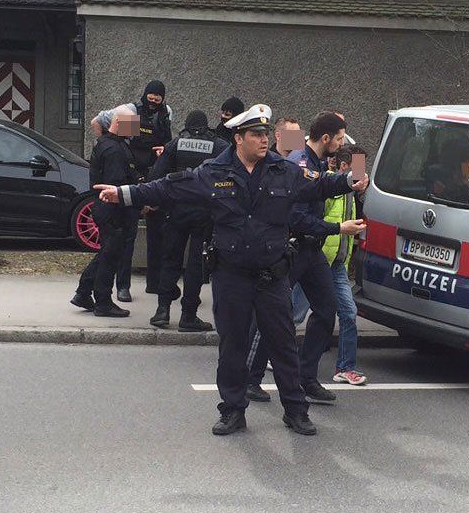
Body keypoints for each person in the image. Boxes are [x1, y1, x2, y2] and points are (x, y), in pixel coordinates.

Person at [93, 104, 365, 437]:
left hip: (272, 275)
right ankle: (233, 410)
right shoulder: (213, 172)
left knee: (283, 345)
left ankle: (295, 410)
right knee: (233, 347)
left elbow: (320, 185)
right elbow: (167, 187)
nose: (264, 140)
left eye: (266, 134)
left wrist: (350, 181)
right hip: (231, 275)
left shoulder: (284, 170)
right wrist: (122, 194)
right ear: (238, 138)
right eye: (256, 134)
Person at [243, 112, 365, 406]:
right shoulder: (300, 163)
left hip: (314, 250)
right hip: (293, 249)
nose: (341, 144)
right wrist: (338, 228)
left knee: (326, 309)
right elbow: (296, 217)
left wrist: (351, 183)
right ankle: (249, 379)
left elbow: (331, 185)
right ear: (326, 138)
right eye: (339, 139)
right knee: (274, 314)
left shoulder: (319, 163)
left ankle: (306, 377)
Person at [90, 81, 174, 301]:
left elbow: (167, 142)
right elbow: (96, 122)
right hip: (127, 174)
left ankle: (154, 283)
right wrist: (103, 145)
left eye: (157, 97)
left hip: (151, 175)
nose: (153, 100)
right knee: (126, 236)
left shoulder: (166, 113)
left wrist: (163, 152)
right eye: (151, 96)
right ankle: (122, 286)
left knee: (154, 234)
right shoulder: (131, 112)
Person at [148, 109, 219, 331]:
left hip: (176, 210)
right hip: (204, 212)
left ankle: (162, 311)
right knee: (196, 265)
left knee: (170, 259)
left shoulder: (175, 144)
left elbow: (156, 175)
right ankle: (188, 316)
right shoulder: (218, 146)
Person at [71, 105, 138, 319]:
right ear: (118, 123)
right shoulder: (114, 149)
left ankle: (83, 293)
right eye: (132, 124)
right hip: (113, 209)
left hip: (106, 208)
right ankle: (103, 302)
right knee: (111, 256)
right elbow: (116, 184)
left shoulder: (110, 143)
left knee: (107, 253)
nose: (135, 128)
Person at [325, 141, 367, 387]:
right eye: (359, 168)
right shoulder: (328, 185)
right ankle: (264, 352)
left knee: (349, 313)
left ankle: (345, 368)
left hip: (338, 262)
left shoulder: (352, 191)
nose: (363, 174)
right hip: (318, 261)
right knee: (293, 312)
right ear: (344, 167)